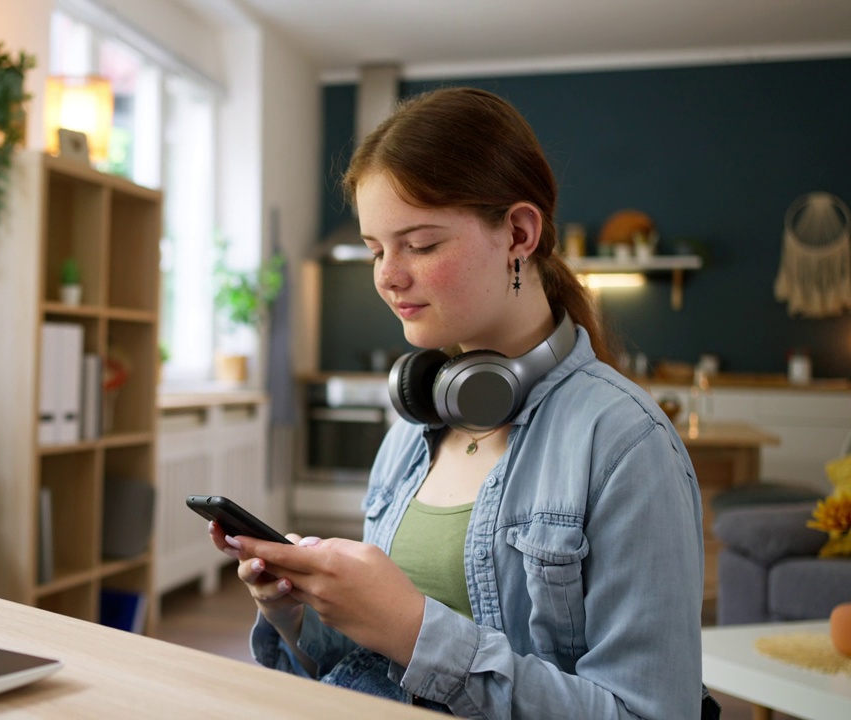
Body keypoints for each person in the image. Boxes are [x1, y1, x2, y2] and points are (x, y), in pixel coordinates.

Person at [209, 87, 713, 718]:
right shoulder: (415, 427)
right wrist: (294, 610)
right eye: (375, 249)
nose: (388, 276)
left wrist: (413, 629)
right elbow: (372, 669)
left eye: (419, 244)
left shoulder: (625, 445)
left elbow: (648, 712)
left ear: (520, 233)